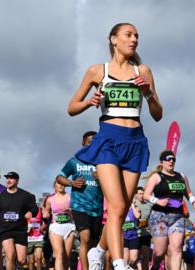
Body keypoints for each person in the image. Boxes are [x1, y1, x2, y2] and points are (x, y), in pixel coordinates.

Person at [68, 22, 162, 270]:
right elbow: (71, 108)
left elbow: (158, 114)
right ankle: (119, 263)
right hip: (108, 139)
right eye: (128, 35)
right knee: (117, 206)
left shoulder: (143, 70)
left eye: (136, 36)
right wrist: (90, 102)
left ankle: (98, 250)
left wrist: (148, 93)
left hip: (135, 142)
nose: (134, 40)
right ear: (113, 39)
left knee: (120, 213)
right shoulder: (98, 71)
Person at [144, 150, 195, 270]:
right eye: (168, 159)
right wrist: (158, 201)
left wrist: (193, 201)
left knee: (177, 248)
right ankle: (154, 266)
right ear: (162, 162)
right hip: (160, 216)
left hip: (177, 216)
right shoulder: (157, 177)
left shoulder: (181, 176)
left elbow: (188, 192)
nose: (171, 161)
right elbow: (146, 195)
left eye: (173, 159)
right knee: (160, 251)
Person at [56, 131, 103, 270]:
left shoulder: (102, 163)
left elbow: (113, 183)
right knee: (85, 238)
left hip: (97, 207)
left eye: (95, 143)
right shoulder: (74, 161)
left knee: (94, 243)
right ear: (83, 144)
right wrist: (72, 183)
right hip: (80, 206)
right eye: (89, 142)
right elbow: (59, 177)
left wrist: (102, 178)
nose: (92, 145)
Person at [0, 171, 39, 270]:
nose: (8, 180)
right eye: (7, 178)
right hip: (6, 230)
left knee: (22, 260)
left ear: (17, 180)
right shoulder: (0, 197)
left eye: (11, 178)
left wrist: (31, 213)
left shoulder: (25, 195)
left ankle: (17, 266)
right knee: (10, 256)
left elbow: (35, 208)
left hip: (20, 230)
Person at [43, 181, 75, 270]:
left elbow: (77, 211)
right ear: (55, 185)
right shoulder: (50, 199)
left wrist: (71, 210)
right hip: (56, 227)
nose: (61, 185)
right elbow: (46, 211)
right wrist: (45, 214)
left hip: (69, 227)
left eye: (63, 184)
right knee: (59, 254)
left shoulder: (70, 197)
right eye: (59, 183)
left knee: (67, 256)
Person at [134, 187, 152, 270]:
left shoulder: (149, 205)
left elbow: (151, 219)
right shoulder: (133, 204)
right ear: (136, 194)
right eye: (140, 194)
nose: (141, 195)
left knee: (145, 254)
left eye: (142, 194)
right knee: (135, 256)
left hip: (146, 233)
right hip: (134, 233)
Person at [122, 203, 140, 269]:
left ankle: (128, 268)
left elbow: (137, 216)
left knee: (134, 258)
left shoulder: (136, 208)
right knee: (125, 258)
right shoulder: (123, 208)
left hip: (133, 236)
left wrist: (132, 206)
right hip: (124, 236)